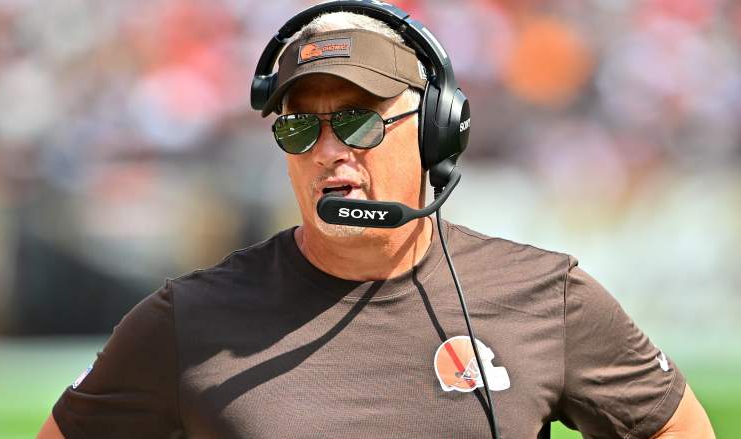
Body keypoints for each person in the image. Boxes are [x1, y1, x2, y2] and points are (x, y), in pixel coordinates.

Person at [37, 5, 715, 439]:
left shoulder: (548, 295)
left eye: (359, 119)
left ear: (434, 132)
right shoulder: (188, 318)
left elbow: (677, 429)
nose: (329, 150)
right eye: (302, 126)